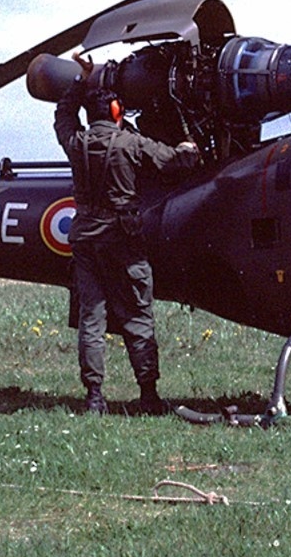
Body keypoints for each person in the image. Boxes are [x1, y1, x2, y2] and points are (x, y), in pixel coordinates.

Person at [54, 59, 199, 415]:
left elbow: (62, 114)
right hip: (123, 239)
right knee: (137, 315)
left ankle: (94, 397)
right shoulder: (130, 143)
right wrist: (190, 148)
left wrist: (80, 82)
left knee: (92, 318)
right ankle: (148, 394)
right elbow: (174, 162)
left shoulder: (77, 142)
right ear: (118, 110)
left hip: (86, 238)